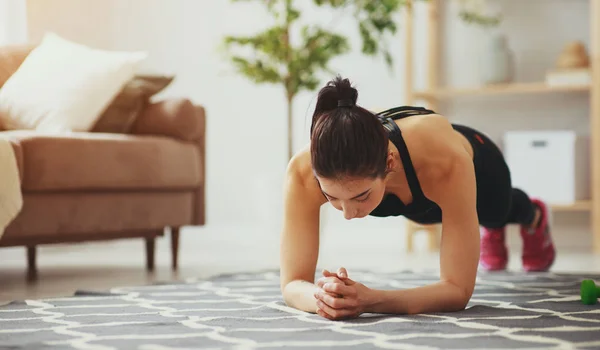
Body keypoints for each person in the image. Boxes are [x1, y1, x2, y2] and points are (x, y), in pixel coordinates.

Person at [279, 76, 556, 320]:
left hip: (482, 171)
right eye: (332, 198)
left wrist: (369, 300)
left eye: (360, 196)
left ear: (389, 163)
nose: (348, 214)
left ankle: (531, 214)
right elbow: (292, 283)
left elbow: (457, 291)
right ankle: (479, 228)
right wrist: (324, 299)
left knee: (496, 212)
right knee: (444, 220)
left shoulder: (445, 162)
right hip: (417, 196)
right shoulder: (303, 173)